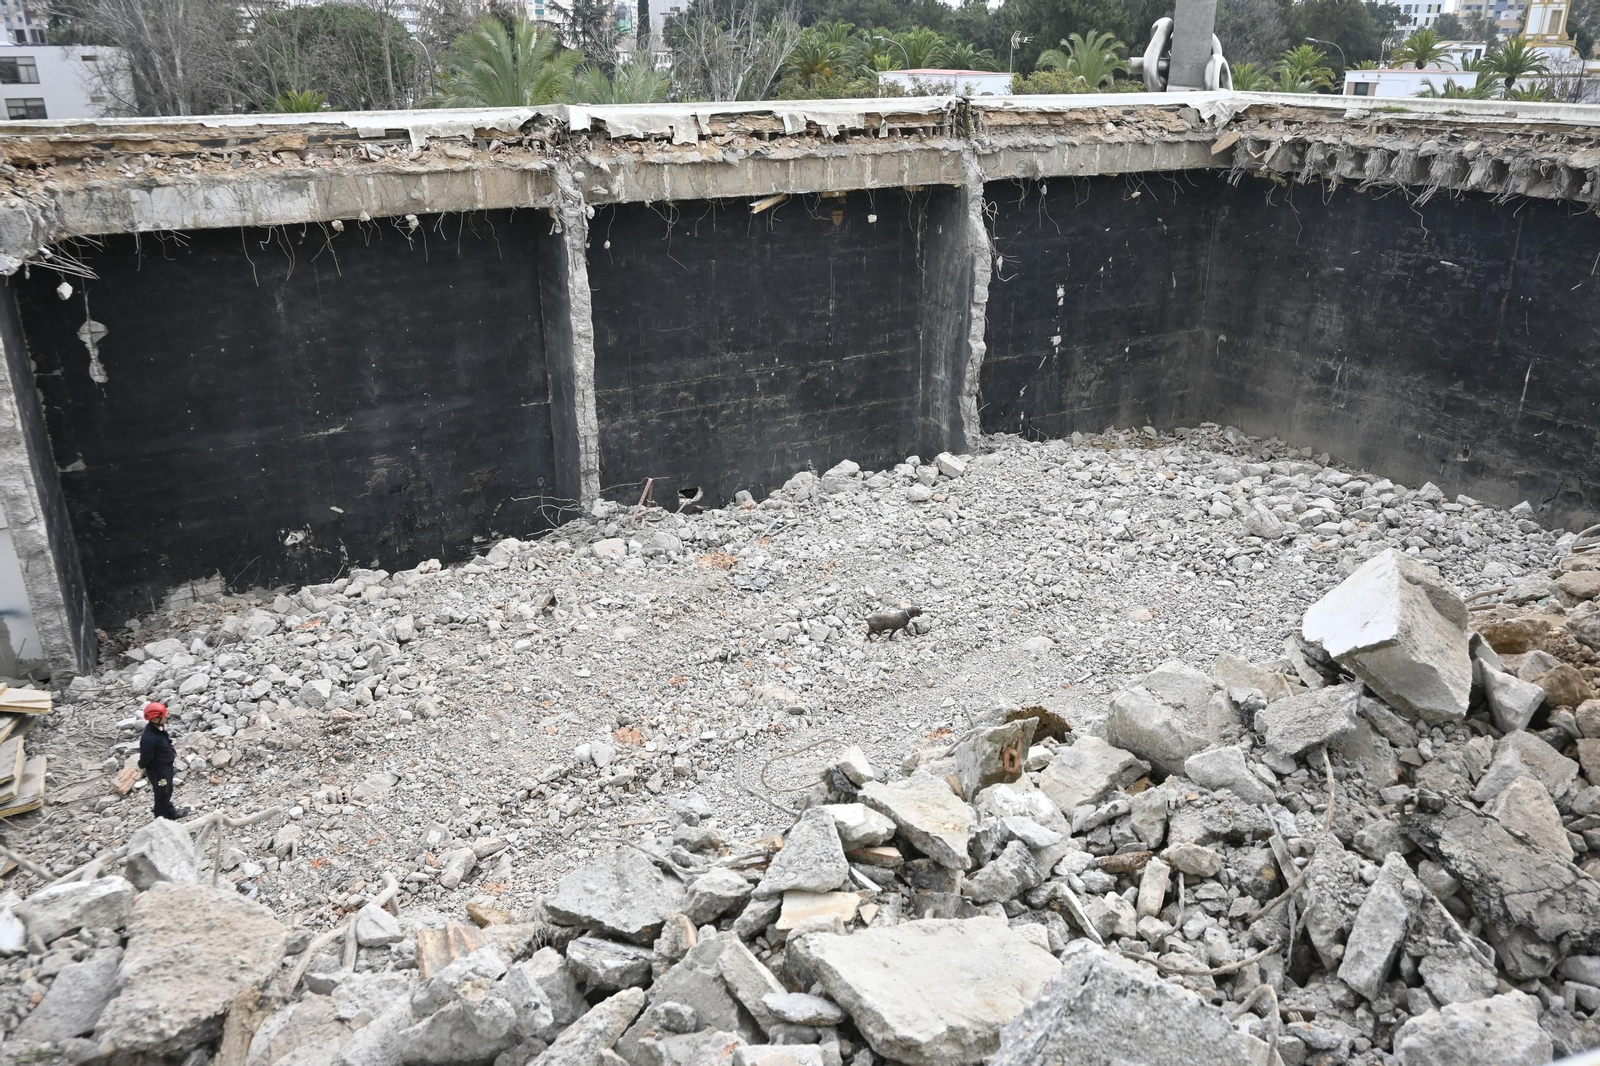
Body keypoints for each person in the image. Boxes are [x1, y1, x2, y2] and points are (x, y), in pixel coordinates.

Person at [138, 701, 189, 820]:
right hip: (159, 772)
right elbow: (146, 757)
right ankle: (161, 819)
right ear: (155, 719)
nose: (166, 717)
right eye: (163, 716)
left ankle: (170, 813)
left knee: (167, 791)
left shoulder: (158, 728)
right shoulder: (149, 738)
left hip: (165, 768)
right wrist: (141, 765)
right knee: (162, 793)